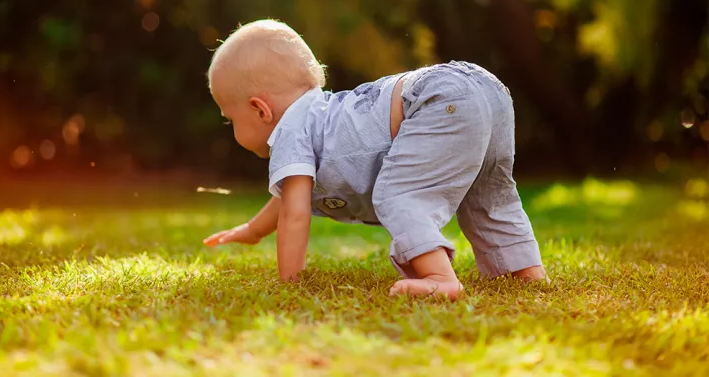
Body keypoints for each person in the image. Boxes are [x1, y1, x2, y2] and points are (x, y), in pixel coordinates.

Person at [203, 19, 548, 299]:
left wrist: (289, 284)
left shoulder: (291, 129)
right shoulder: (319, 115)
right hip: (485, 89)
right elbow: (289, 197)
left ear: (259, 109)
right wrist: (253, 230)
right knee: (488, 193)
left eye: (229, 119)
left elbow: (295, 213)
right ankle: (525, 270)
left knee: (397, 194)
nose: (231, 128)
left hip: (436, 98)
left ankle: (440, 278)